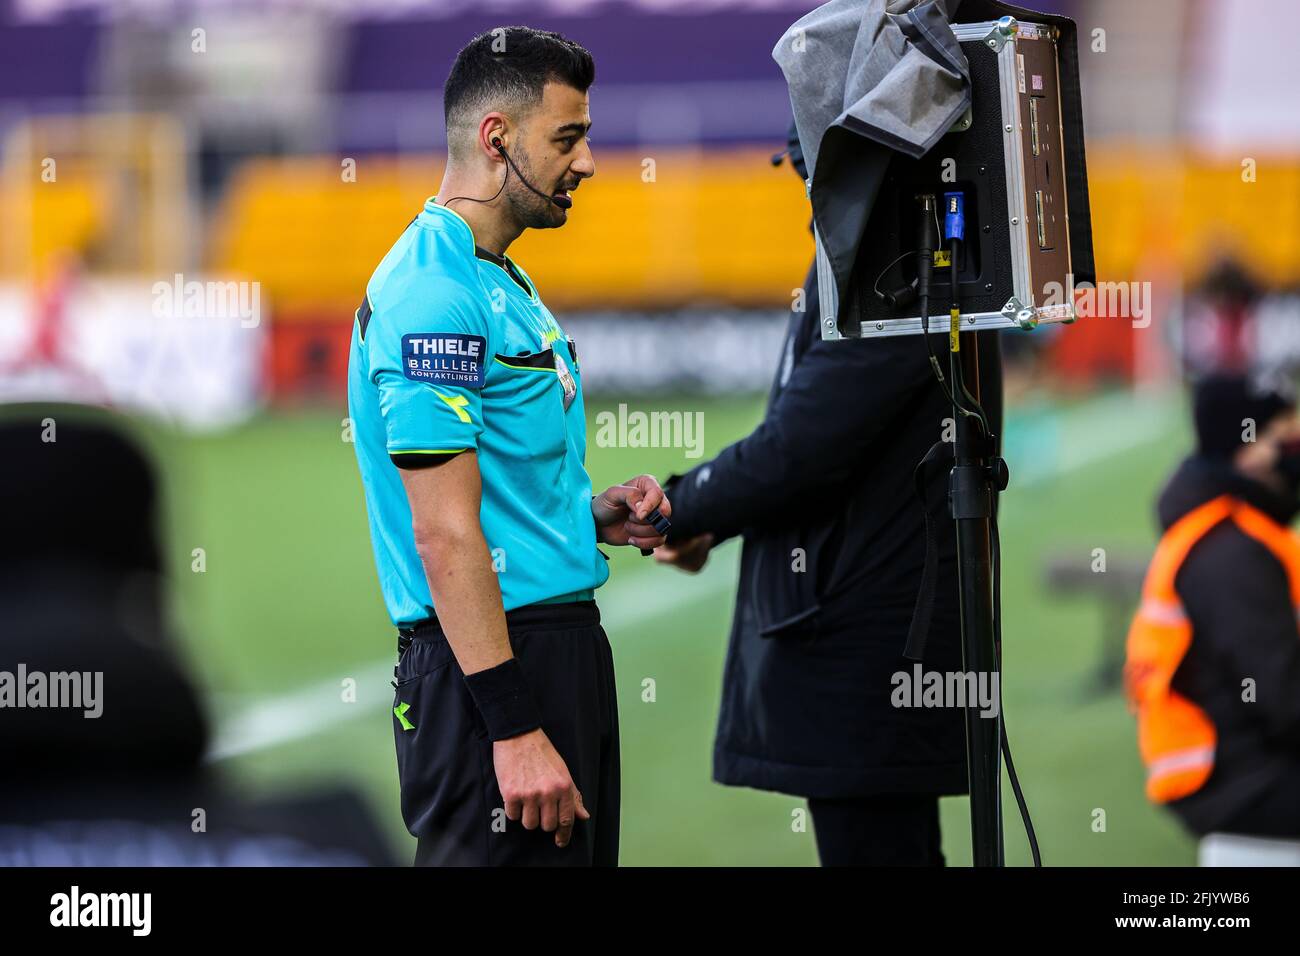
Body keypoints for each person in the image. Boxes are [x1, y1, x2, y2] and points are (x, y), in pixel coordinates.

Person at [346, 27, 669, 867]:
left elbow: (497, 483)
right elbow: (444, 532)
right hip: (489, 673)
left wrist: (585, 515)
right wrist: (515, 724)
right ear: (497, 139)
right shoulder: (432, 293)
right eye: (567, 138)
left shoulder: (496, 278)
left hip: (554, 651)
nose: (588, 161)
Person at [653, 124, 1002, 866]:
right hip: (880, 629)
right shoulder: (912, 244)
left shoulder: (889, 260)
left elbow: (801, 449)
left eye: (811, 169)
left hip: (864, 640)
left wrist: (682, 506)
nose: (808, 190)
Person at [1126, 374, 1300, 838]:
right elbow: (1283, 700)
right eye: (1282, 437)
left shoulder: (1231, 530)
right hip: (1236, 779)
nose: (1293, 449)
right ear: (1246, 451)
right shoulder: (1229, 548)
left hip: (1236, 764)